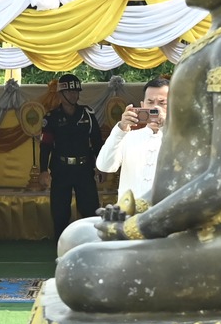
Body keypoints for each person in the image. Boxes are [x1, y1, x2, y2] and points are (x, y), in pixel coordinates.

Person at [93, 77, 170, 209]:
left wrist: (167, 126)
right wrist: (121, 129)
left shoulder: (180, 139)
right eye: (150, 102)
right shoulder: (128, 137)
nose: (155, 108)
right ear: (142, 105)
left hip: (165, 216)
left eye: (162, 103)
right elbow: (104, 166)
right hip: (130, 216)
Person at [41, 73, 101, 236]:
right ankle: (61, 246)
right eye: (69, 92)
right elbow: (45, 145)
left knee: (90, 210)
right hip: (61, 170)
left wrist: (100, 166)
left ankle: (92, 243)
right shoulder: (51, 117)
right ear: (60, 94)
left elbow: (96, 141)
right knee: (60, 213)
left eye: (76, 92)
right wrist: (43, 170)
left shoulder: (88, 114)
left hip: (84, 169)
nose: (73, 95)